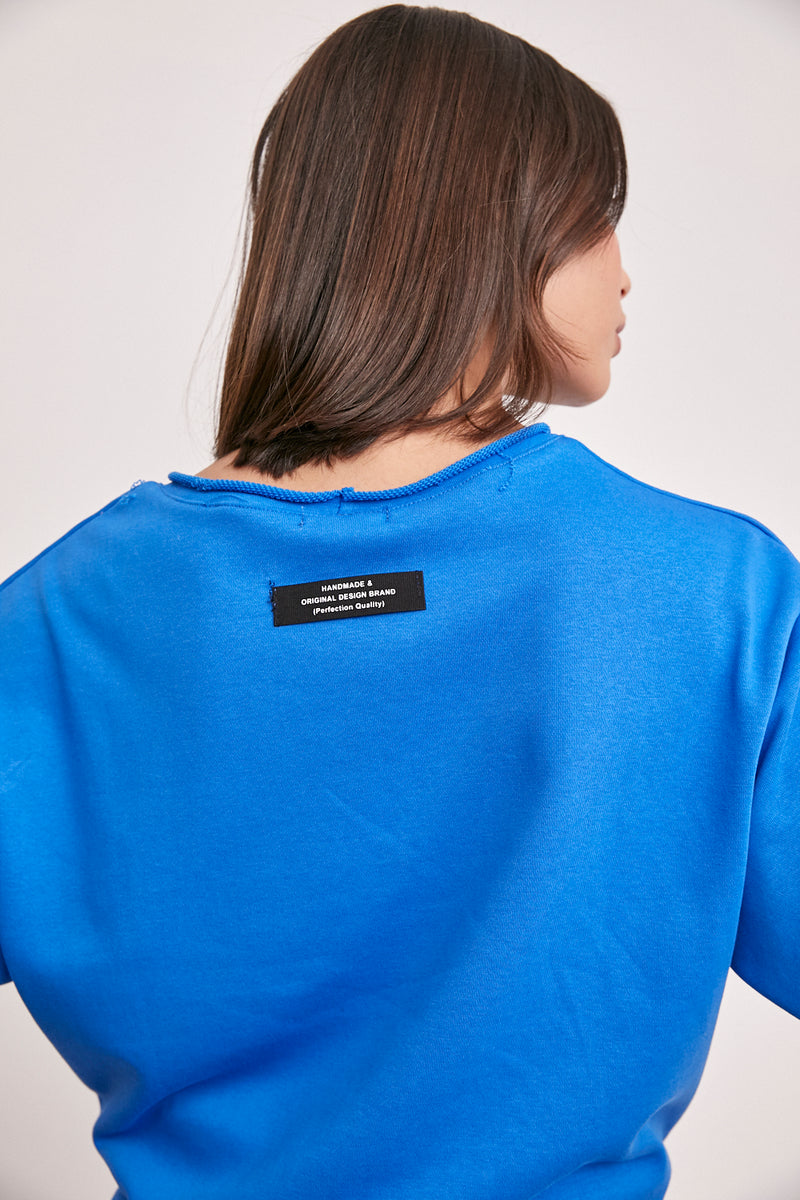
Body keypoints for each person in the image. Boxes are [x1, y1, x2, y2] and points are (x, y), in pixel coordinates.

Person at [0, 5, 797, 1199]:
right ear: (485, 227)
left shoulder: (52, 626)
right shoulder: (714, 592)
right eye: (596, 216)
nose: (625, 270)